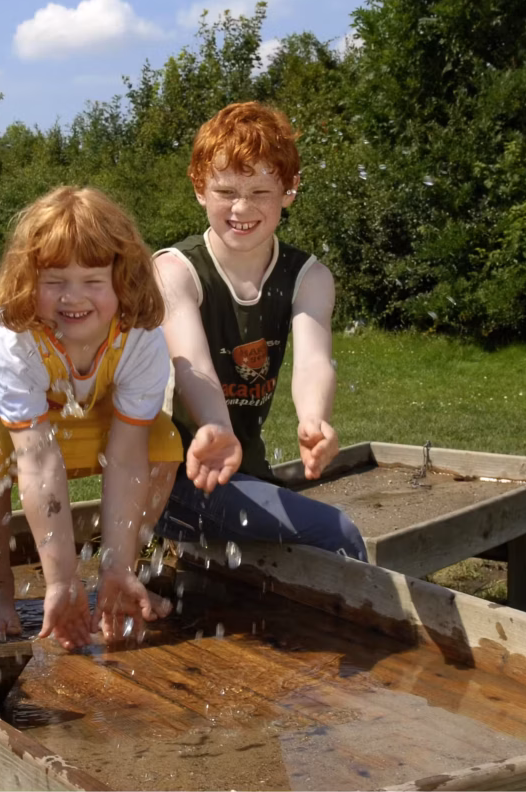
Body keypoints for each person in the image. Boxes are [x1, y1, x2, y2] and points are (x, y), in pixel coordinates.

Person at [0, 186, 183, 650]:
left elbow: (126, 456)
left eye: (92, 281)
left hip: (95, 394)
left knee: (162, 443)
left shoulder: (140, 337)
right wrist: (60, 580)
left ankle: (122, 575)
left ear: (123, 279)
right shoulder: (16, 339)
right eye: (54, 281)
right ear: (27, 280)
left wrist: (115, 565)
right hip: (19, 404)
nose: (73, 298)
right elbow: (38, 461)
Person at [154, 101, 368, 561]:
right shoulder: (175, 271)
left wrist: (314, 418)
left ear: (290, 190)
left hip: (240, 472)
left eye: (260, 191)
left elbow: (314, 360)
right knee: (338, 534)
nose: (242, 208)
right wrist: (213, 424)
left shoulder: (308, 276)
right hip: (170, 477)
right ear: (199, 189)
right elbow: (192, 366)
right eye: (226, 190)